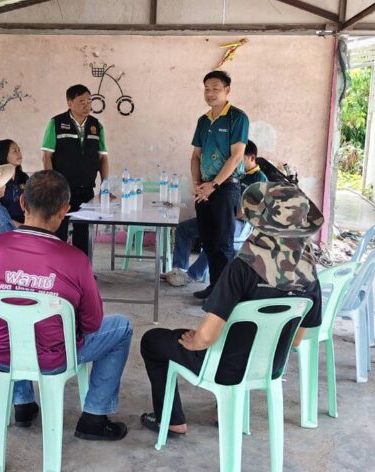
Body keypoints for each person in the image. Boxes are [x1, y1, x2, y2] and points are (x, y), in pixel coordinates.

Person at [139, 180, 324, 437]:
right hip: (269, 367)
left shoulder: (242, 268)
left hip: (224, 368)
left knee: (153, 340)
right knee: (240, 340)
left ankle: (171, 420)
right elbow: (296, 339)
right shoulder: (310, 275)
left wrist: (196, 341)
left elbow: (206, 337)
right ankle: (222, 409)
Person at [0, 170, 131, 441]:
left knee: (12, 318)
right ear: (65, 210)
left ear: (22, 202)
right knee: (122, 328)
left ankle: (23, 403)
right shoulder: (75, 260)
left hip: (1, 354)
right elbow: (92, 323)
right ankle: (94, 417)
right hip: (55, 357)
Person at [164, 140, 268, 287]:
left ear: (252, 157)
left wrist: (224, 213)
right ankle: (179, 271)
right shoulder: (231, 172)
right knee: (183, 228)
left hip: (241, 224)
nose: (237, 163)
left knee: (216, 236)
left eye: (241, 159)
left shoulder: (260, 179)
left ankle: (193, 275)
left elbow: (252, 210)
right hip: (219, 216)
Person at [190, 70, 250, 299]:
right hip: (204, 189)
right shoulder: (203, 120)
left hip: (225, 188)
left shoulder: (237, 117)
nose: (210, 93)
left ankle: (226, 296)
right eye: (207, 89)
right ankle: (214, 288)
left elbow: (236, 156)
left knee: (223, 243)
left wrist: (213, 185)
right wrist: (197, 184)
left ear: (227, 90)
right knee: (208, 242)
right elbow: (196, 156)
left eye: (216, 89)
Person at [41, 84, 109, 256]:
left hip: (86, 189)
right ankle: (57, 267)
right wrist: (52, 184)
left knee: (83, 234)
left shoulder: (96, 125)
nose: (87, 105)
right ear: (69, 103)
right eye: (81, 101)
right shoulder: (56, 123)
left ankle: (81, 268)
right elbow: (47, 156)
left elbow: (103, 158)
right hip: (62, 190)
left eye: (89, 101)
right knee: (59, 232)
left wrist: (105, 186)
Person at [0, 139, 29, 224]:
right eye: (14, 151)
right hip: (3, 224)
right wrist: (16, 225)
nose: (19, 154)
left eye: (19, 150)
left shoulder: (24, 177)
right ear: (4, 154)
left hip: (24, 223)